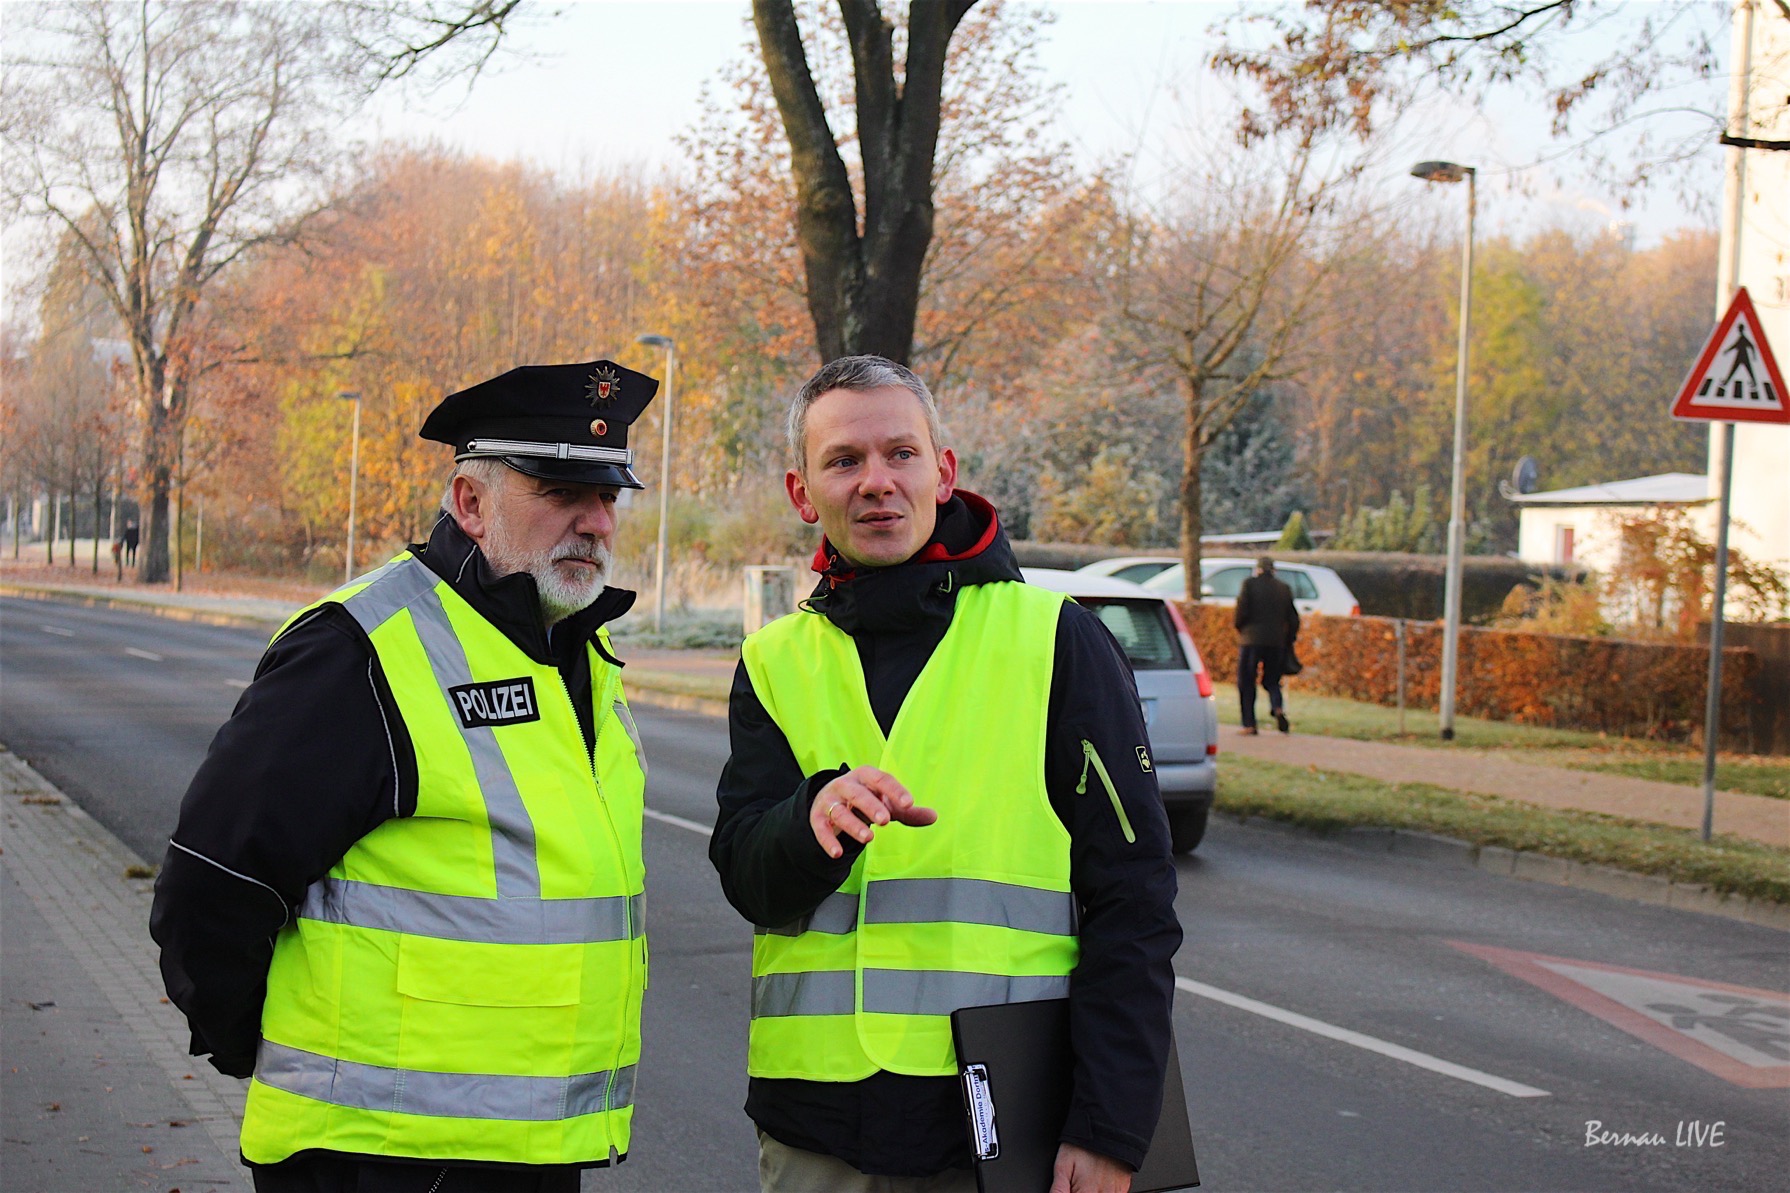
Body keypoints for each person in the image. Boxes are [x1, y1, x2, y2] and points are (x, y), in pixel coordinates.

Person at [151, 360, 661, 1193]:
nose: (596, 520)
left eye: (607, 496)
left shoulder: (576, 649)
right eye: (561, 492)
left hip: (529, 1152)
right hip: (378, 1158)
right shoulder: (361, 647)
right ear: (469, 502)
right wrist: (265, 1042)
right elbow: (212, 883)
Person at [709, 355, 1181, 1193]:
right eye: (844, 461)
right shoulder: (774, 660)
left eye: (901, 454)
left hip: (1000, 1124)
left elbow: (1134, 896)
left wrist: (1111, 1125)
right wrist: (808, 822)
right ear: (801, 491)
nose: (877, 482)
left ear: (945, 470)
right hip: (816, 1125)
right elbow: (750, 879)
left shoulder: (1054, 639)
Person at [1234, 556, 1299, 735]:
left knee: (1246, 681)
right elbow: (1293, 619)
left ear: (1258, 569)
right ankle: (1277, 707)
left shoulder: (1249, 584)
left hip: (1251, 640)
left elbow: (1241, 612)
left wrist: (1240, 628)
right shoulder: (1283, 588)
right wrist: (1288, 638)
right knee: (1272, 680)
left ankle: (1250, 724)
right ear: (1273, 570)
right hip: (1275, 642)